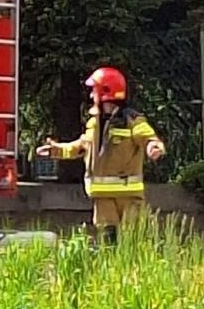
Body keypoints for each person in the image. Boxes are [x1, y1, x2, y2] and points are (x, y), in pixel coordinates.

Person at [36, 66, 165, 245]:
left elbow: (148, 138)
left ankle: (136, 269)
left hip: (128, 196)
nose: (90, 96)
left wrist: (154, 147)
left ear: (105, 92)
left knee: (134, 238)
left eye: (93, 91)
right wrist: (55, 150)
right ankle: (111, 268)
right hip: (102, 197)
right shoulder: (94, 124)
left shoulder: (132, 121)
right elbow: (81, 147)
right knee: (107, 237)